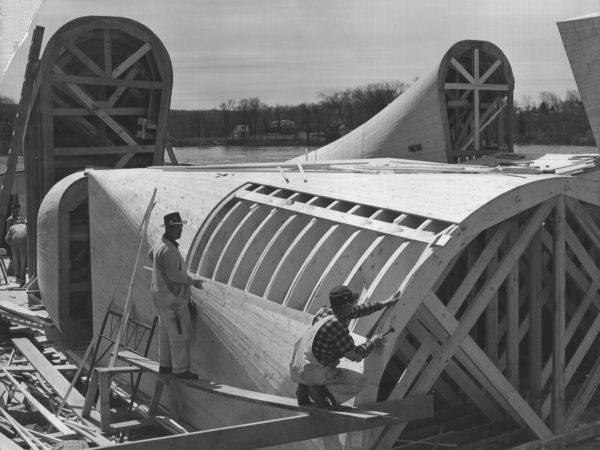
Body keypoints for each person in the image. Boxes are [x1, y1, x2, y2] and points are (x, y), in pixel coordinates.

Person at [290, 285, 398, 407]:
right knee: (359, 381)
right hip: (313, 372)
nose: (354, 306)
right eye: (352, 303)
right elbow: (356, 355)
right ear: (346, 305)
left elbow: (357, 310)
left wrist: (382, 304)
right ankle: (320, 392)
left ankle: (303, 389)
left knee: (328, 358)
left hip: (299, 367)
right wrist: (372, 342)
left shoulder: (324, 311)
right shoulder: (337, 326)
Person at [148, 212, 204, 379]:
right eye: (176, 228)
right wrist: (192, 282)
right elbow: (174, 276)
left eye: (180, 227)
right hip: (173, 298)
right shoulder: (168, 250)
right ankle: (180, 370)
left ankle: (165, 366)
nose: (179, 231)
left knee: (166, 332)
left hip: (161, 296)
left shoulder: (160, 243)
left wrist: (161, 270)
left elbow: (150, 254)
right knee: (180, 335)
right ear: (169, 229)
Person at [5, 219, 27, 285]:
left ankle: (17, 275)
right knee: (23, 258)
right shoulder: (25, 226)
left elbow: (6, 239)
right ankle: (23, 277)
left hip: (14, 240)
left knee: (16, 258)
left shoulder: (12, 227)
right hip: (25, 240)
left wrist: (12, 245)